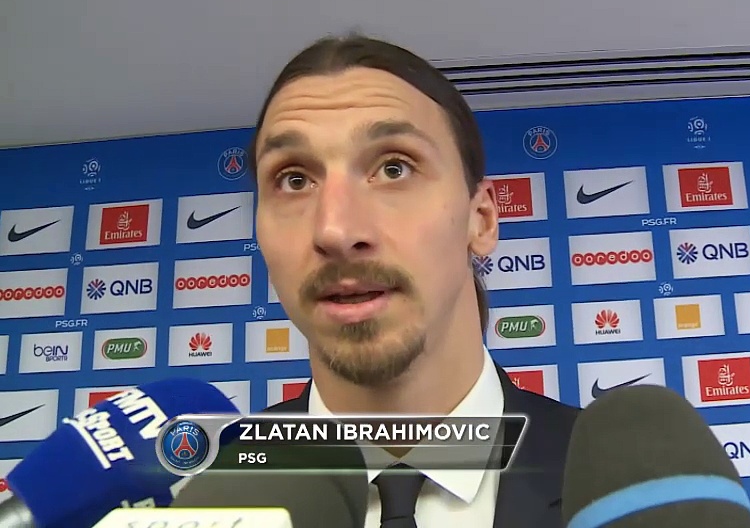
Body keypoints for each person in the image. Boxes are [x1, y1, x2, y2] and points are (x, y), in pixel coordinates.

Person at [172, 33, 579, 528]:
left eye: (393, 168)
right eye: (294, 179)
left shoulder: (626, 490)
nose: (335, 231)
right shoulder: (197, 500)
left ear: (482, 220)